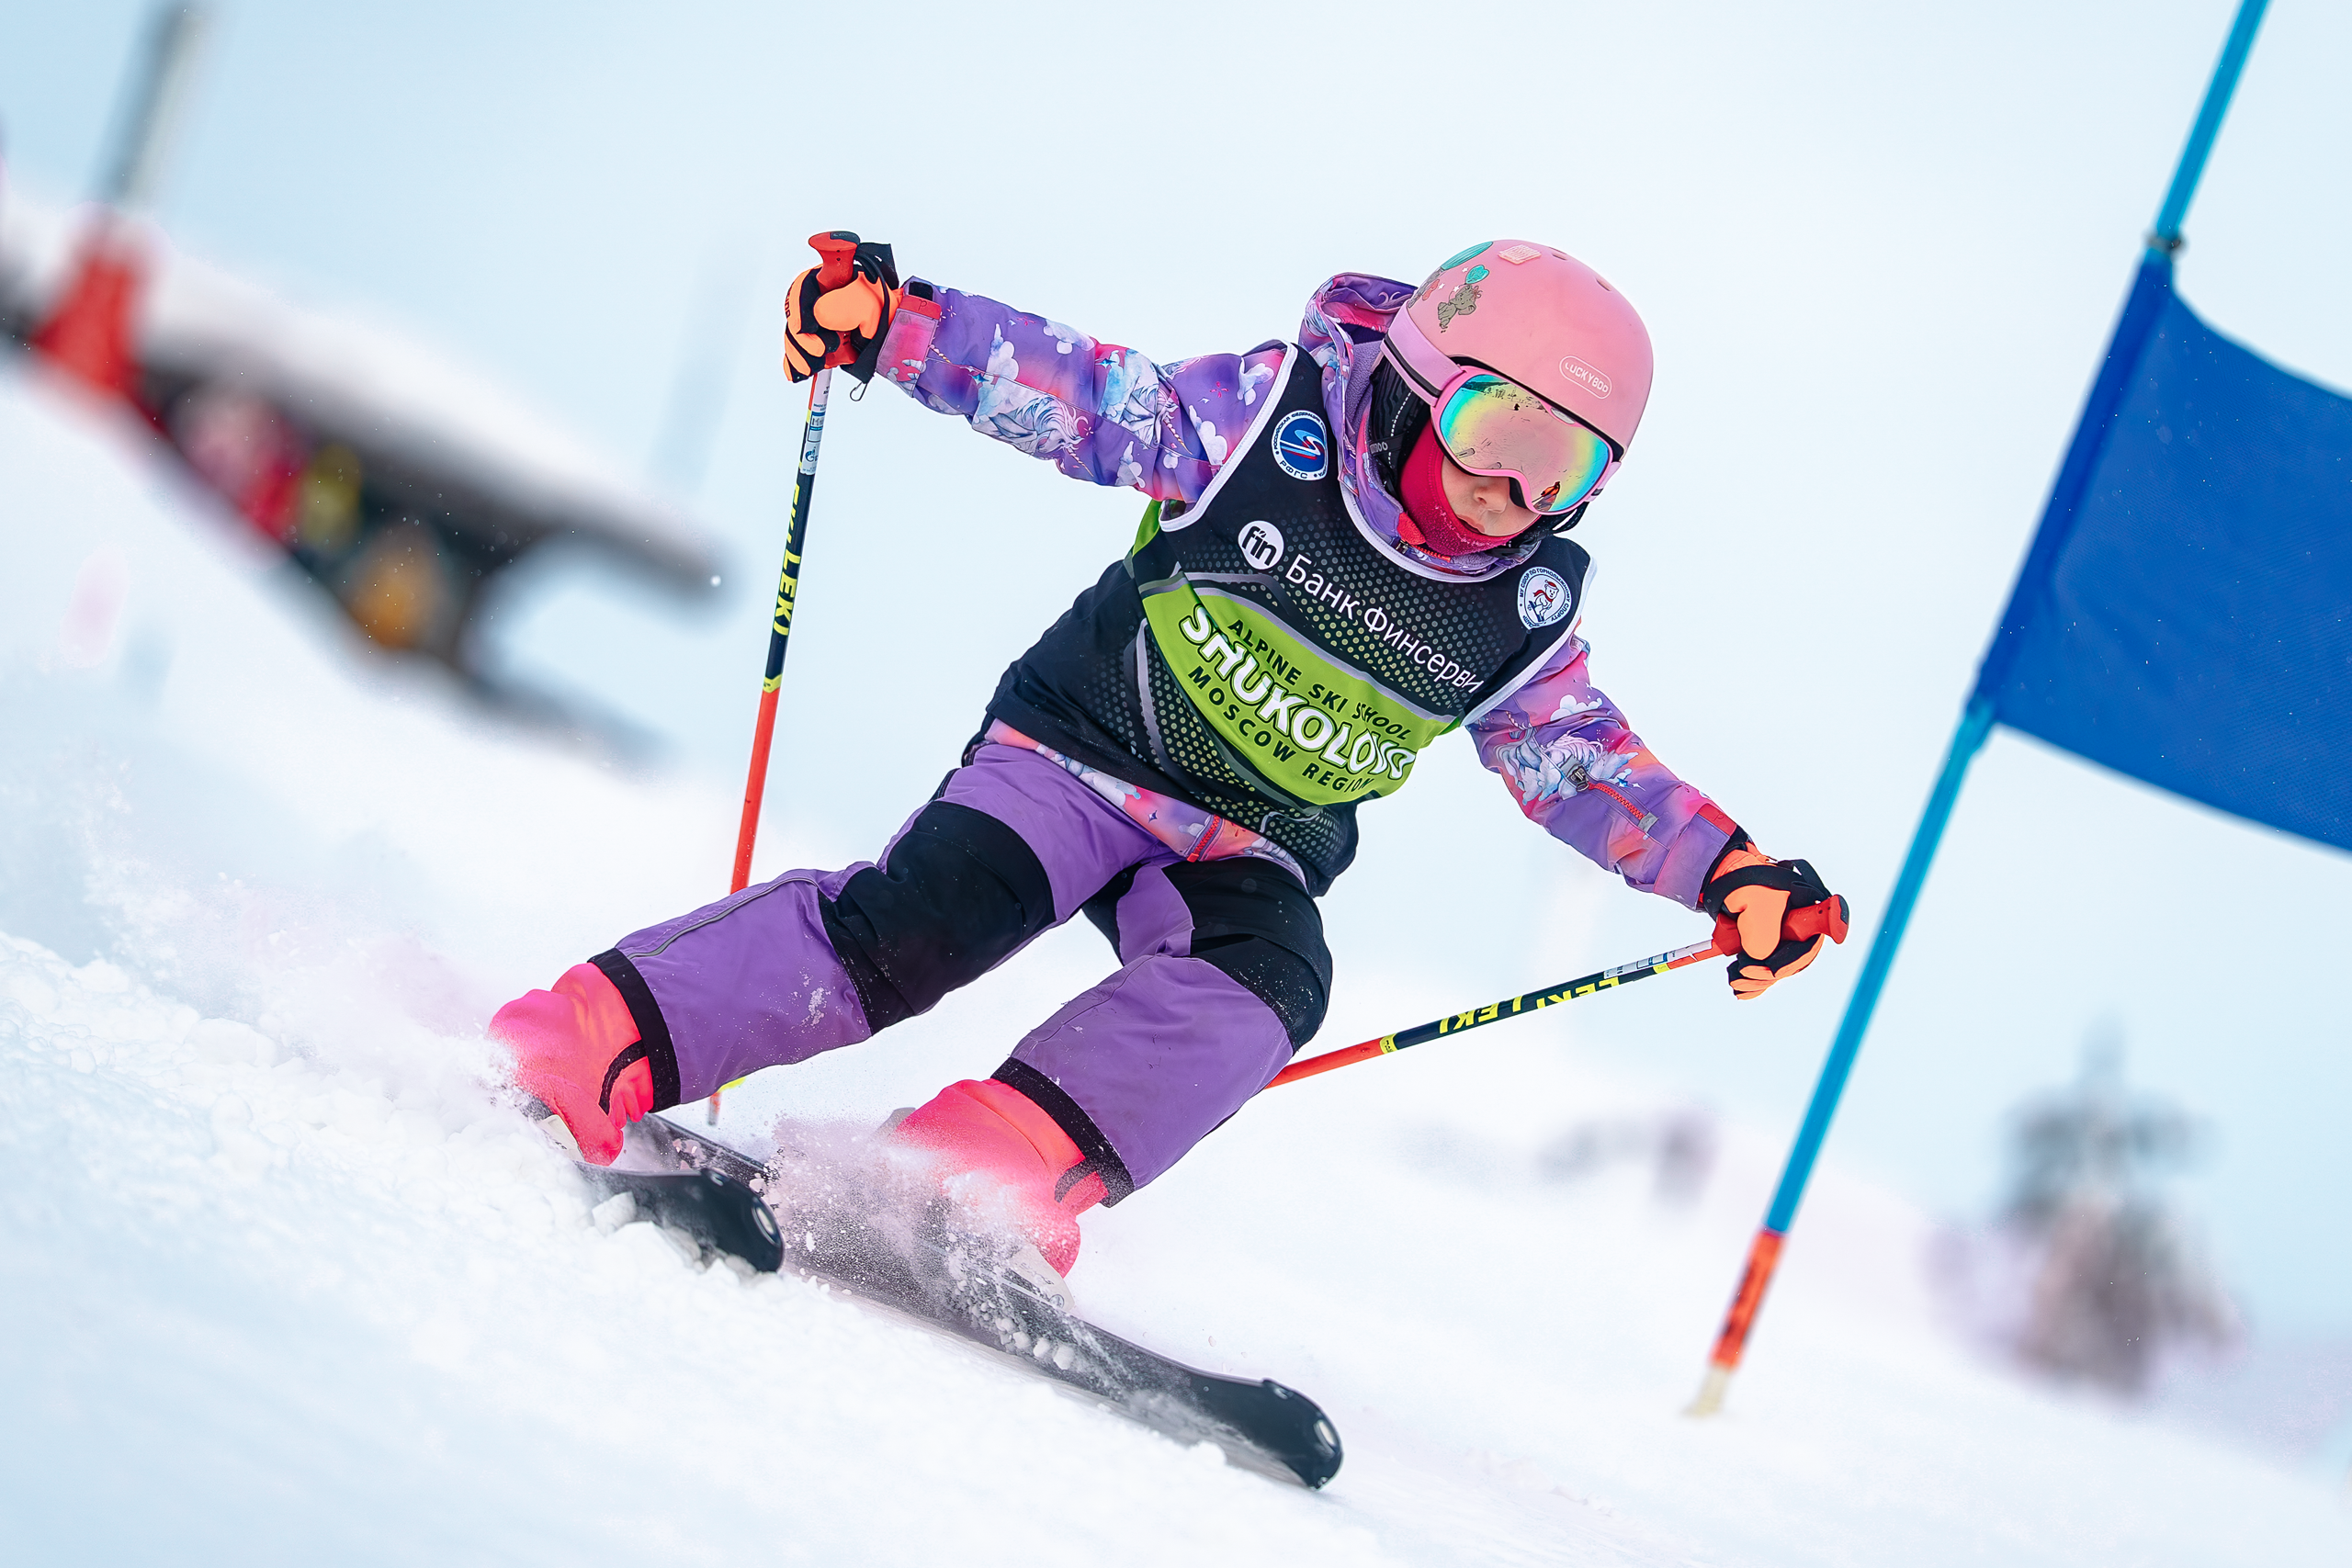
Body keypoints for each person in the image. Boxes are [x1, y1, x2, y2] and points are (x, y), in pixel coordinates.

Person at [492, 236, 1840, 1282]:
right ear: (1418, 390)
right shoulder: (1270, 429)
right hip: (1078, 757)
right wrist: (897, 328)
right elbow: (1083, 397)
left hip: (1248, 844)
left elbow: (1580, 763)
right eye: (1499, 432)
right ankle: (602, 1032)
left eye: (1566, 464)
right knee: (919, 926)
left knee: (1268, 983)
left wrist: (1726, 871)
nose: (1514, 490)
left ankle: (975, 1170)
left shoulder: (1515, 615)